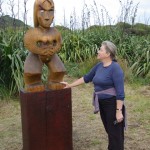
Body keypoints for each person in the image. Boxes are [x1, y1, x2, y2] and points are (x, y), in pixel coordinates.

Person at [62, 41, 125, 150]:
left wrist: (118, 111)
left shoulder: (115, 68)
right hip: (102, 103)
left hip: (112, 104)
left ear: (108, 54)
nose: (98, 51)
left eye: (101, 49)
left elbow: (120, 93)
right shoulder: (99, 66)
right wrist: (70, 85)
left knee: (115, 134)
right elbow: (86, 78)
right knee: (110, 131)